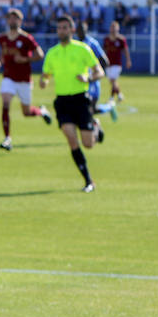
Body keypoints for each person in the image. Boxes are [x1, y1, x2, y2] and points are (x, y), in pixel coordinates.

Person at [40, 15, 105, 193]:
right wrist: (43, 81)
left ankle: (95, 127)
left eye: (65, 28)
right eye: (59, 28)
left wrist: (89, 77)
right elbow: (46, 74)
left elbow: (99, 71)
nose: (62, 31)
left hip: (80, 99)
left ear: (72, 30)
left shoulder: (83, 49)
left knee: (88, 144)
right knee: (70, 138)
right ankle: (88, 180)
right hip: (62, 101)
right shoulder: (52, 52)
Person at [0, 7, 51, 151]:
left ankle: (41, 111)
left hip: (24, 79)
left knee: (27, 112)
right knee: (5, 104)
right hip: (9, 78)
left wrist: (25, 59)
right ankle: (7, 138)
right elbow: (3, 55)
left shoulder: (26, 38)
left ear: (20, 21)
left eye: (15, 18)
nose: (12, 21)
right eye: (10, 18)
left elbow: (40, 54)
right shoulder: (3, 38)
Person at [76, 21, 118, 124]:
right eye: (79, 29)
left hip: (92, 81)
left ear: (86, 30)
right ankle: (108, 108)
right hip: (79, 80)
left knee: (90, 110)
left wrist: (95, 73)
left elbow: (105, 61)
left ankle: (95, 127)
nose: (81, 31)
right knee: (86, 110)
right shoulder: (75, 44)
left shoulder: (92, 43)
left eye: (83, 29)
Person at [101, 20, 132, 102]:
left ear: (118, 29)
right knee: (112, 81)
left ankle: (111, 98)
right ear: (110, 29)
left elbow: (125, 50)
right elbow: (103, 51)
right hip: (108, 63)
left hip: (117, 64)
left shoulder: (121, 39)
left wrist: (128, 60)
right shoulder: (106, 39)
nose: (113, 29)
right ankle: (120, 95)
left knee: (113, 80)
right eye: (112, 27)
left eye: (115, 28)